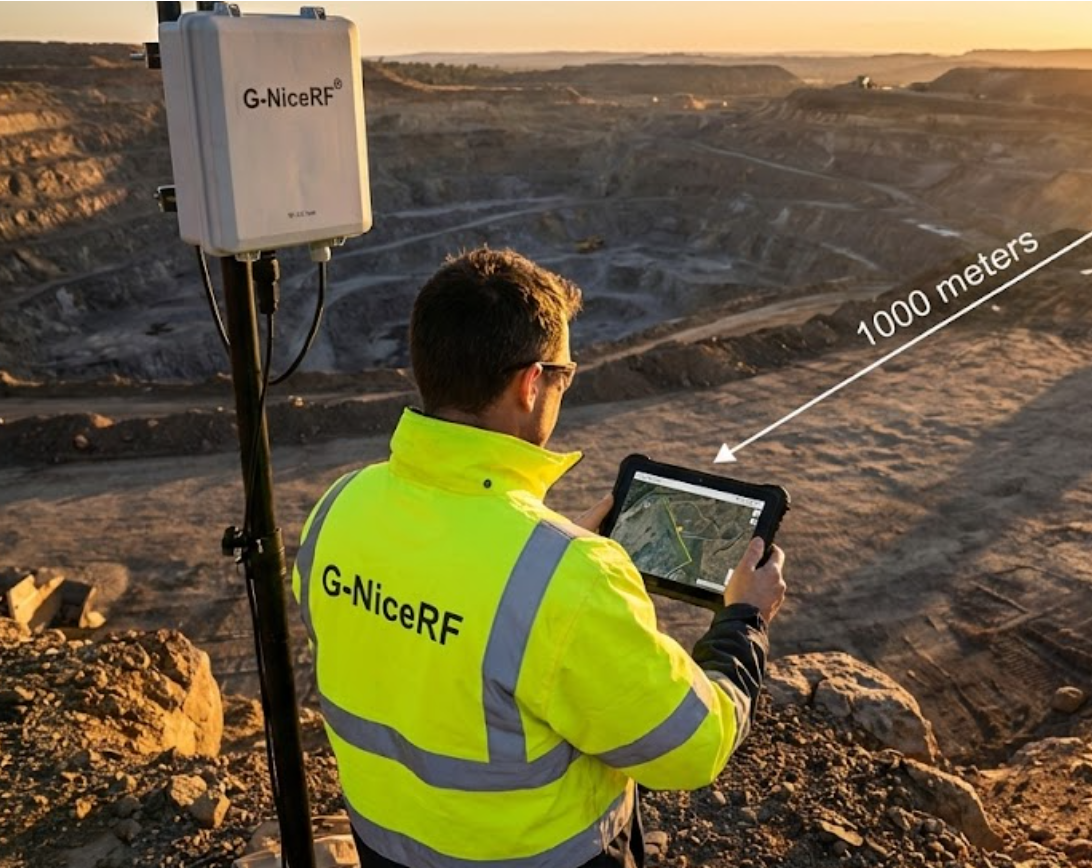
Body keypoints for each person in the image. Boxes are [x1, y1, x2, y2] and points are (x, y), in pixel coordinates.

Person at [290, 247, 787, 868]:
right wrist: (745, 618)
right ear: (531, 383)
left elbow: (424, 631)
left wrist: (547, 562)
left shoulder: (339, 507)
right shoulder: (568, 578)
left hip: (387, 848)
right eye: (564, 375)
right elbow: (692, 748)